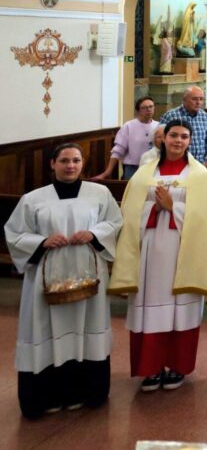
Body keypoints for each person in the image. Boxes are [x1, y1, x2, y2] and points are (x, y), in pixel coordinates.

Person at [5, 143, 122, 418]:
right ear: (52, 164)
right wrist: (42, 241)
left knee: (88, 325)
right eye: (64, 161)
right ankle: (45, 397)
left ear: (83, 164)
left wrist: (94, 234)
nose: (71, 166)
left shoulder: (100, 193)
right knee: (44, 329)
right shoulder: (33, 199)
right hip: (47, 278)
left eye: (76, 161)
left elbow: (115, 223)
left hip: (89, 275)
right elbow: (14, 234)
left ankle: (88, 392)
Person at [109, 120, 207, 392]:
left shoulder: (200, 176)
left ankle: (176, 367)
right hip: (149, 251)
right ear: (163, 139)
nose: (178, 141)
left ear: (190, 141)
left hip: (184, 251)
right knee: (150, 311)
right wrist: (155, 210)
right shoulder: (144, 174)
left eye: (184, 137)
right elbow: (130, 213)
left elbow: (206, 218)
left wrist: (172, 208)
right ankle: (150, 367)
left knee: (181, 310)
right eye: (173, 136)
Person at [94, 96, 160, 180]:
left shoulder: (159, 126)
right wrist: (107, 172)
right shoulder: (129, 126)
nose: (148, 109)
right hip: (132, 169)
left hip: (153, 168)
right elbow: (118, 150)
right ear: (138, 110)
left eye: (151, 106)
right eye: (144, 108)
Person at [158, 86, 207, 166]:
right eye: (194, 99)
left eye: (201, 99)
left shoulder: (204, 116)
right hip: (176, 164)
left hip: (200, 165)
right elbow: (159, 139)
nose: (198, 102)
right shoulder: (170, 115)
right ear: (184, 99)